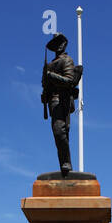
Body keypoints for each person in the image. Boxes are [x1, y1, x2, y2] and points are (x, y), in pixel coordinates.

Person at [41, 32, 82, 173]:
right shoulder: (50, 64)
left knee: (60, 132)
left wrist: (52, 76)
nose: (58, 46)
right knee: (58, 134)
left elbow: (70, 80)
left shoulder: (67, 61)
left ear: (64, 44)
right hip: (53, 102)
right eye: (55, 44)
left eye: (60, 43)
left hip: (63, 100)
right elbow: (45, 86)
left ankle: (66, 163)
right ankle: (64, 165)